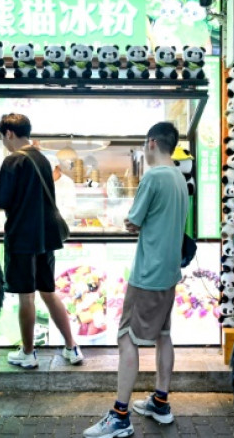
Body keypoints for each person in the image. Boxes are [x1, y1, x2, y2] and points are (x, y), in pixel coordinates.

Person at [84, 122, 189, 438]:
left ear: (152, 143)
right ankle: (160, 401)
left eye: (145, 144)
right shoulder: (179, 178)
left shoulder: (154, 176)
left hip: (148, 274)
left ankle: (119, 416)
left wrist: (132, 222)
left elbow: (133, 221)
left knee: (127, 338)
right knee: (163, 335)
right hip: (170, 271)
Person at [0, 113, 83, 368]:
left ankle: (28, 353)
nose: (4, 142)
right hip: (46, 236)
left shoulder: (13, 160)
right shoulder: (42, 159)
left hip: (22, 237)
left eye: (3, 137)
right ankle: (72, 347)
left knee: (26, 297)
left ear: (9, 133)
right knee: (48, 291)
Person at [47, 155, 78, 224]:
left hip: (64, 222)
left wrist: (55, 218)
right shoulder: (45, 182)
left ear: (58, 168)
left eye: (52, 171)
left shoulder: (68, 182)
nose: (49, 174)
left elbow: (70, 206)